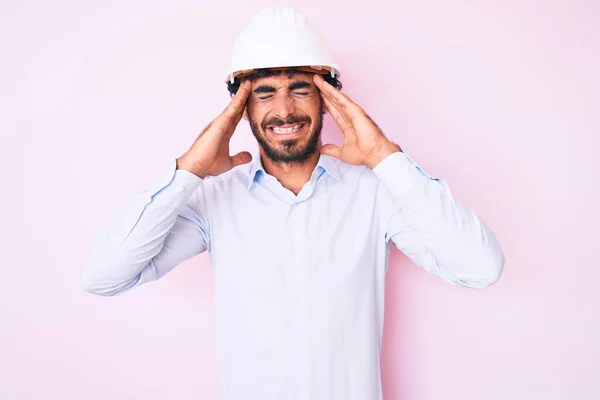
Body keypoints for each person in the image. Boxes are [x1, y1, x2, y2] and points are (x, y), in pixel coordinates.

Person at [82, 5, 504, 400]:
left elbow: (480, 268)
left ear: (327, 99)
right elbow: (104, 276)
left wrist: (385, 158)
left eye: (301, 90)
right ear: (241, 109)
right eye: (264, 94)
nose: (284, 110)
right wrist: (188, 170)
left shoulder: (375, 191)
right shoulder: (214, 198)